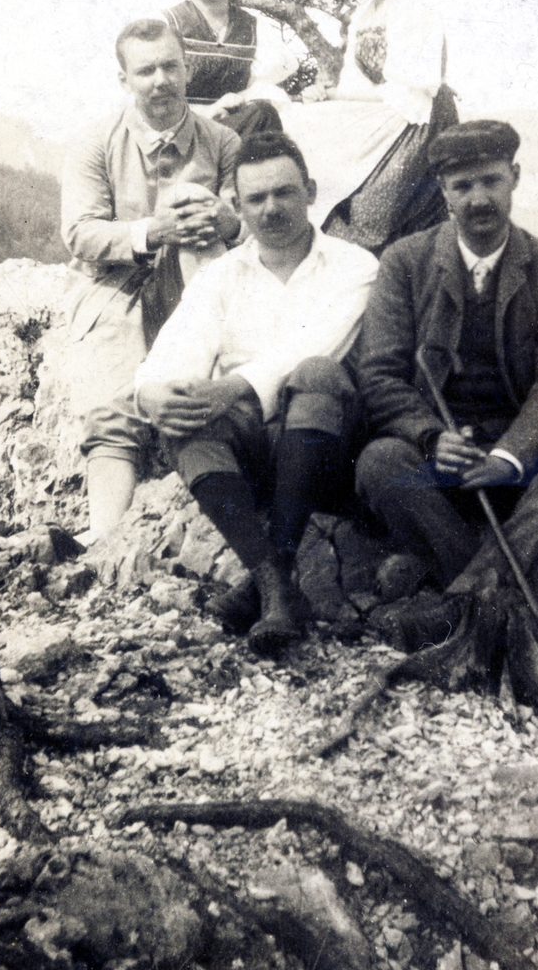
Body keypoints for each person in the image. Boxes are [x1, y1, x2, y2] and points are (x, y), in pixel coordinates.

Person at [129, 131, 379, 655]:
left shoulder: (356, 267)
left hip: (329, 449)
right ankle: (276, 586)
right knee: (184, 415)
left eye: (284, 192)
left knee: (315, 373)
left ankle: (271, 578)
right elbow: (171, 356)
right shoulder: (221, 276)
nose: (271, 209)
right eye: (256, 198)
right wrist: (152, 395)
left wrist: (234, 388)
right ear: (237, 207)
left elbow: (321, 347)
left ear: (310, 191)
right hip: (256, 458)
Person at [354, 120, 538, 600]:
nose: (478, 199)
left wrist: (508, 457)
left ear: (514, 176)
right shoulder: (404, 262)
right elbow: (381, 375)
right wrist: (432, 438)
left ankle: (472, 588)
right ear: (443, 192)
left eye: (491, 181)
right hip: (440, 466)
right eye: (463, 186)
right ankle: (505, 588)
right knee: (380, 461)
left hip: (520, 467)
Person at [62, 17, 241, 538]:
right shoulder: (95, 141)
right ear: (125, 80)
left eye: (170, 66)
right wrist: (150, 231)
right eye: (145, 71)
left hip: (200, 280)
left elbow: (247, 220)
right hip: (119, 286)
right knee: (113, 399)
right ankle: (103, 535)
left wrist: (227, 221)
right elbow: (79, 232)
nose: (159, 81)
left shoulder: (222, 140)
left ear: (187, 69)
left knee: (204, 391)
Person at [280, 0, 458, 252]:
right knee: (296, 125)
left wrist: (339, 99)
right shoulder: (363, 11)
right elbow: (354, 83)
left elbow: (412, 89)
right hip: (380, 114)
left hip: (417, 120)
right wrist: (327, 92)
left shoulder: (412, 4)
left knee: (366, 206)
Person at [164, 0, 297, 139]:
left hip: (236, 129)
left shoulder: (252, 28)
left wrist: (238, 101)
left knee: (263, 114)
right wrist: (208, 111)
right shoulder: (169, 24)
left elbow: (261, 90)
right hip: (182, 132)